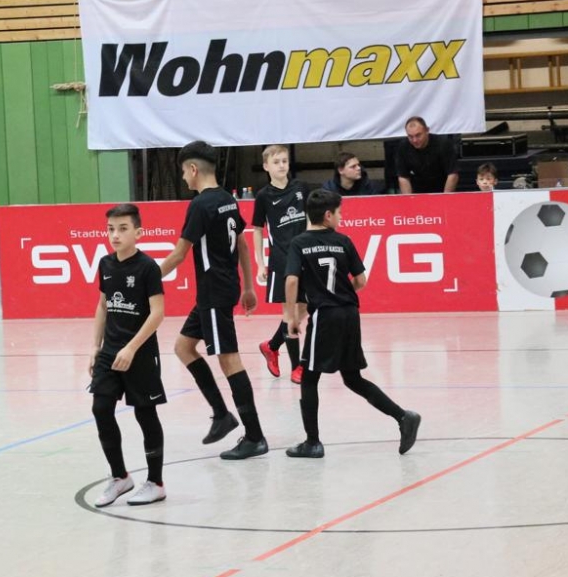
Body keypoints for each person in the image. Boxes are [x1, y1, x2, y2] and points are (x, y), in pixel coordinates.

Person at [283, 189, 422, 459]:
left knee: (309, 378)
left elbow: (291, 281)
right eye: (339, 213)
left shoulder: (299, 243)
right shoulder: (343, 241)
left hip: (325, 316)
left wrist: (291, 317)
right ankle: (403, 417)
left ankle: (312, 442)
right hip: (349, 313)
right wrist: (341, 294)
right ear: (328, 215)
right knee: (352, 378)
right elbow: (360, 281)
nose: (341, 217)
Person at [160, 140, 268, 460]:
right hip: (223, 288)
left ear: (193, 169)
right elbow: (242, 245)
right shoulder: (227, 199)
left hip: (214, 291)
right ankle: (221, 415)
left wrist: (145, 278)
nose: (183, 178)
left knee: (229, 360)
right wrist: (249, 286)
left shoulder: (200, 205)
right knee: (183, 347)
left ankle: (255, 436)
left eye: (184, 172)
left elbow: (179, 254)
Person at [89, 203, 168, 507]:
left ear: (138, 232)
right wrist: (95, 347)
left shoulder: (148, 268)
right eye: (111, 229)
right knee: (101, 408)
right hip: (110, 352)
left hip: (140, 353)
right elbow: (102, 305)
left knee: (145, 414)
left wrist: (132, 347)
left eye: (123, 229)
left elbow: (158, 313)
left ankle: (156, 483)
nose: (115, 235)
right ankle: (120, 477)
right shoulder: (106, 264)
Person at [252, 144, 308, 385]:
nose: (282, 165)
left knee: (305, 308)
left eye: (284, 161)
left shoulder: (301, 188)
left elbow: (310, 218)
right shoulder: (263, 196)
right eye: (276, 162)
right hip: (282, 260)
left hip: (305, 256)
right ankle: (297, 368)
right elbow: (257, 230)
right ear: (266, 166)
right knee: (290, 313)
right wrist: (260, 263)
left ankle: (272, 346)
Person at [395, 116, 459, 194]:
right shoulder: (403, 147)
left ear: (427, 131)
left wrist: (445, 198)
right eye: (410, 136)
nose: (414, 140)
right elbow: (403, 177)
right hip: (417, 192)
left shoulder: (443, 144)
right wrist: (409, 199)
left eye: (418, 135)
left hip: (441, 189)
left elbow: (452, 174)